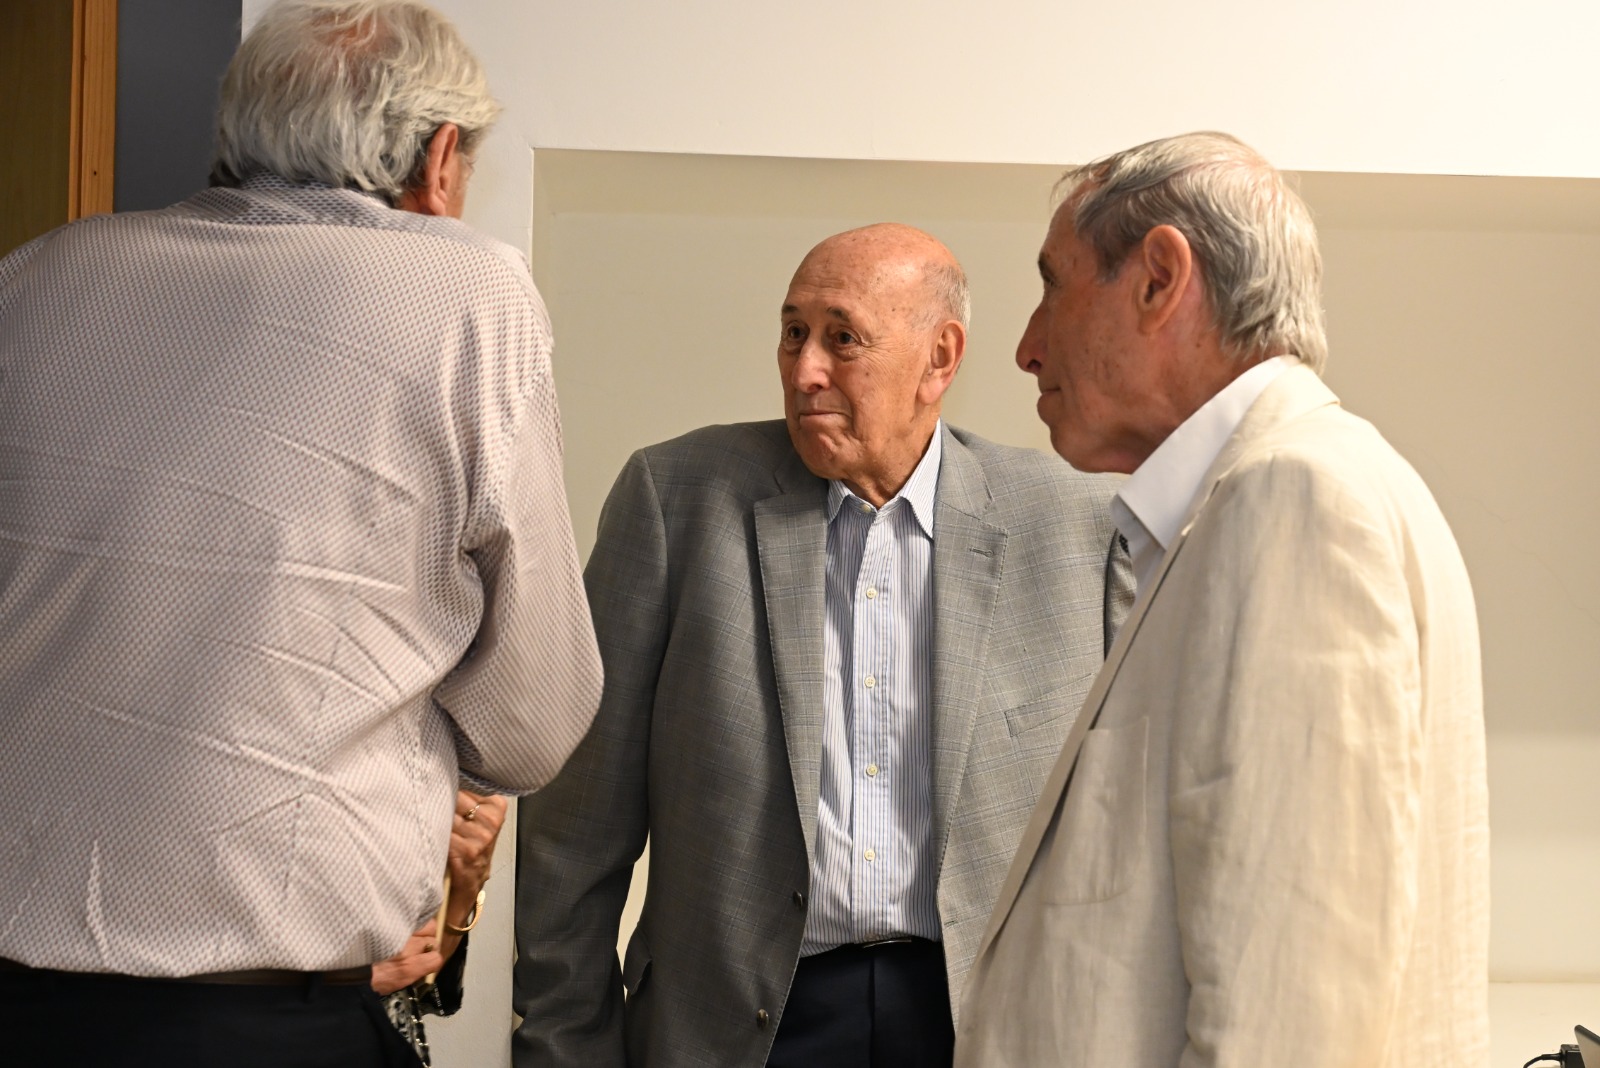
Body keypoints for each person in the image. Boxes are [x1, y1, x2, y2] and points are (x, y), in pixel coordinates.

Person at [0, 2, 603, 1065]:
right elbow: (532, 722)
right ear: (441, 159)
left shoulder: (39, 272)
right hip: (258, 1023)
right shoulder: (467, 291)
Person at [513, 223, 1130, 1068]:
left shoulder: (1076, 522)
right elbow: (574, 829)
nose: (805, 370)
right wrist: (564, 1047)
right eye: (793, 332)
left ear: (939, 358)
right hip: (737, 1028)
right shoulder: (675, 499)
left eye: (843, 339)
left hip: (985, 1022)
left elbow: (1126, 831)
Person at [954, 132, 1489, 1067]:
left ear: (1159, 280)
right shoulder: (1283, 492)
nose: (1028, 349)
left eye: (1054, 287)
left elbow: (1288, 1023)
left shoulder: (1295, 500)